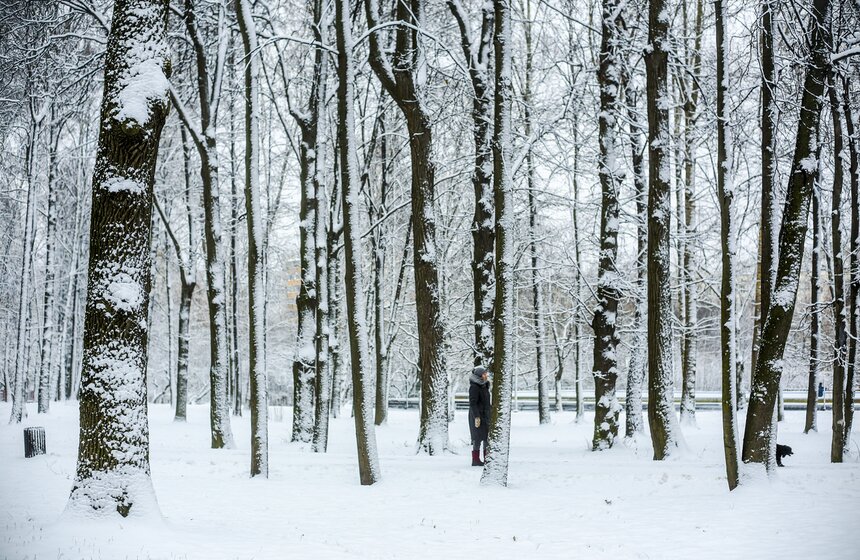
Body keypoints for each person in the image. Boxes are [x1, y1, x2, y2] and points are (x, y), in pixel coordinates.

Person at [469, 366, 491, 466]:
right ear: (479, 375)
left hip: (486, 415)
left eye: (486, 374)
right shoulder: (474, 387)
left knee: (486, 437)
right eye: (484, 374)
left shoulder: (485, 385)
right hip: (476, 415)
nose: (486, 375)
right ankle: (475, 460)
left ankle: (487, 459)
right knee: (477, 438)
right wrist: (477, 417)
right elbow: (473, 403)